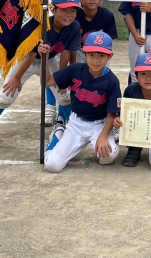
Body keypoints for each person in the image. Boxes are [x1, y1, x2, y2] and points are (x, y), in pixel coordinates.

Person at [0, 0, 81, 150]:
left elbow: (67, 53)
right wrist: (17, 77)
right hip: (26, 60)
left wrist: (63, 78)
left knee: (64, 95)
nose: (69, 14)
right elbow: (30, 55)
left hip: (50, 58)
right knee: (7, 95)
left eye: (73, 10)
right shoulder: (41, 25)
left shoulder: (74, 27)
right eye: (64, 9)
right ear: (53, 9)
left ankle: (71, 131)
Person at [40, 31, 121, 172]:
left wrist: (103, 136)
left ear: (110, 56)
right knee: (52, 166)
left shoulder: (112, 81)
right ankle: (58, 134)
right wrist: (45, 57)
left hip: (99, 124)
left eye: (101, 55)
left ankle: (100, 140)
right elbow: (46, 82)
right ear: (84, 54)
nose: (96, 60)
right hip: (76, 123)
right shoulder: (75, 70)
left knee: (109, 155)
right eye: (91, 55)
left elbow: (112, 113)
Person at [75, 0, 118, 65]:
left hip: (99, 50)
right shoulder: (73, 15)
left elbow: (108, 43)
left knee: (101, 74)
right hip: (78, 50)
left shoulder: (107, 15)